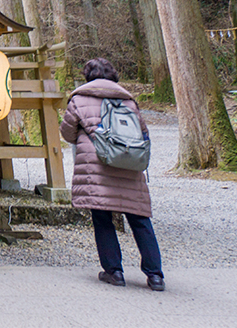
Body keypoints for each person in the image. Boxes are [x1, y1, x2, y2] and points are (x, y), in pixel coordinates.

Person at [60, 57, 164, 291]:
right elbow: (143, 132)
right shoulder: (128, 99)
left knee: (103, 218)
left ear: (88, 76)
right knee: (139, 218)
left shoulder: (79, 99)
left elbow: (67, 132)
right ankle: (155, 275)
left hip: (97, 167)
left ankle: (114, 271)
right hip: (128, 163)